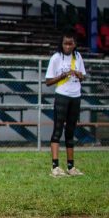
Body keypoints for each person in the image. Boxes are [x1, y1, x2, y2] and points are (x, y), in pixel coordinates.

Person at [45, 31, 86, 177]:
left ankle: (71, 167)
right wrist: (62, 75)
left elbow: (83, 76)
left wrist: (80, 75)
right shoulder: (56, 58)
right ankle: (55, 167)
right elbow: (48, 81)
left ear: (75, 44)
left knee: (70, 132)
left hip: (76, 96)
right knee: (57, 130)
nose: (68, 46)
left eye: (71, 43)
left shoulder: (78, 56)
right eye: (65, 43)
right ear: (61, 44)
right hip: (62, 96)